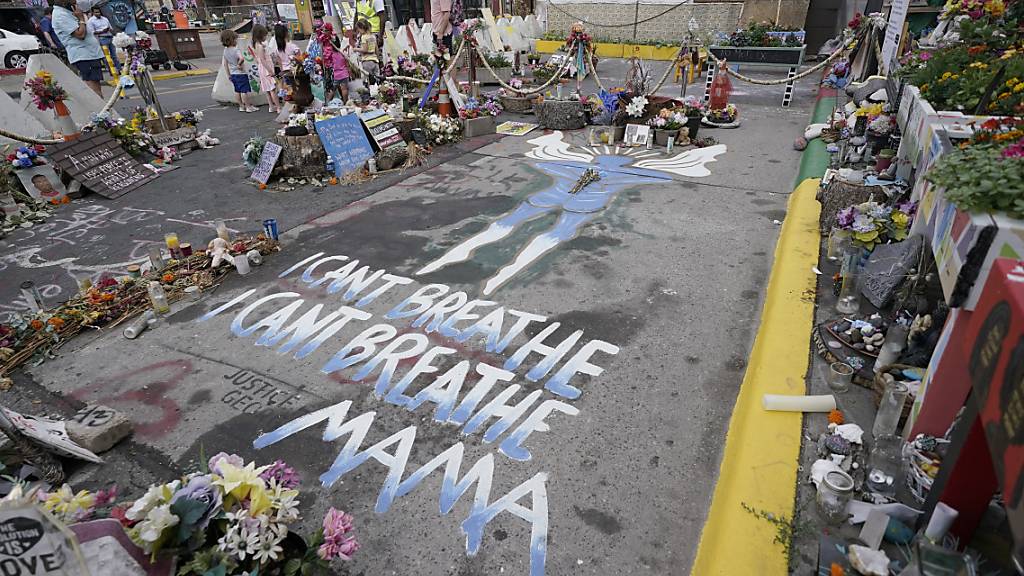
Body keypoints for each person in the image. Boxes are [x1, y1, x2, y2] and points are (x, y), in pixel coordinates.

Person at [51, 0, 105, 97]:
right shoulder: (60, 15)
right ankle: (100, 110)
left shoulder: (68, 11)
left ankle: (102, 109)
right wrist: (81, 18)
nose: (75, 1)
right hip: (83, 55)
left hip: (90, 53)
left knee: (96, 85)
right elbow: (80, 34)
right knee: (93, 87)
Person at [221, 29, 256, 113]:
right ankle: (248, 107)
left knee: (237, 91)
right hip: (241, 73)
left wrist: (228, 74)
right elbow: (242, 58)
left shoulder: (225, 51)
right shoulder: (236, 49)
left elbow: (225, 64)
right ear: (232, 40)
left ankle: (241, 106)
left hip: (233, 74)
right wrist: (239, 65)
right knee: (244, 91)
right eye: (235, 39)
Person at [250, 25, 280, 113]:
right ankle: (278, 107)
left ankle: (271, 106)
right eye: (264, 35)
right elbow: (263, 60)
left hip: (262, 69)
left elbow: (258, 59)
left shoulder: (257, 44)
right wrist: (270, 70)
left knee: (267, 89)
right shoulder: (260, 46)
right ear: (260, 35)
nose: (266, 37)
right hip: (266, 69)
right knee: (272, 89)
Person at [87, 7, 120, 73]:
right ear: (92, 13)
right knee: (106, 57)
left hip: (110, 37)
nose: (98, 13)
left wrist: (114, 33)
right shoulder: (91, 21)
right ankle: (111, 71)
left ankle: (119, 70)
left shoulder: (105, 19)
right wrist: (102, 31)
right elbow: (92, 32)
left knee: (114, 55)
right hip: (102, 38)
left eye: (98, 12)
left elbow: (110, 28)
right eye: (96, 12)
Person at [273, 24, 300, 92]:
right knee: (297, 89)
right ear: (286, 34)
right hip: (294, 72)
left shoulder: (277, 50)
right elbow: (300, 58)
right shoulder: (292, 46)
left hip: (285, 73)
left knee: (290, 90)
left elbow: (280, 65)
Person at [355, 19, 379, 84]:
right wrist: (377, 58)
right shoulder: (373, 36)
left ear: (362, 28)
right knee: (377, 79)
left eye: (358, 29)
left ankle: (371, 93)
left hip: (367, 61)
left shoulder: (364, 37)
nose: (358, 31)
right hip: (375, 61)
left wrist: (356, 49)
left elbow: (365, 50)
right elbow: (376, 49)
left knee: (369, 80)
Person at [327, 36, 350, 103]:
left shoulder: (331, 55)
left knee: (333, 89)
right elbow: (347, 63)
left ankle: (328, 102)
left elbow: (329, 64)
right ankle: (345, 102)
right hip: (344, 74)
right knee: (344, 89)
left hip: (336, 75)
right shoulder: (342, 53)